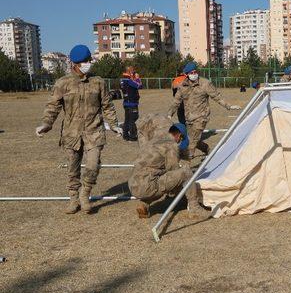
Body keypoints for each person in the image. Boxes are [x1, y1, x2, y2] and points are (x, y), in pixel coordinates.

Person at [36, 44, 122, 214]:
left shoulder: (98, 82)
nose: (88, 63)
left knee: (92, 165)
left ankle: (85, 194)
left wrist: (114, 125)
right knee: (72, 169)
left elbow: (107, 106)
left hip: (94, 131)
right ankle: (73, 199)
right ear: (75, 63)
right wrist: (46, 124)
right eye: (84, 61)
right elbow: (53, 106)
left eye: (89, 60)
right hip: (72, 134)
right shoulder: (63, 83)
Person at [128, 123, 209, 219]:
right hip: (148, 185)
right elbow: (174, 172)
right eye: (181, 139)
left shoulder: (154, 141)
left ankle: (143, 204)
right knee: (185, 172)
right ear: (179, 135)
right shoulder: (171, 146)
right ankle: (195, 208)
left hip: (134, 185)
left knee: (159, 182)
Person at [167, 62, 240, 161]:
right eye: (191, 72)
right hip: (189, 118)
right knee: (191, 139)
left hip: (202, 117)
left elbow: (217, 97)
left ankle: (187, 162)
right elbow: (176, 101)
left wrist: (229, 106)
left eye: (195, 71)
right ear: (187, 74)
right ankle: (206, 149)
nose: (194, 74)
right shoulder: (182, 86)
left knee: (192, 142)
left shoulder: (205, 84)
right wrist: (169, 114)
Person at [120, 66, 143, 141]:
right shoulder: (128, 80)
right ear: (129, 71)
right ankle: (133, 136)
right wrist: (137, 78)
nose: (134, 72)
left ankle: (125, 135)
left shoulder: (123, 79)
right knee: (133, 119)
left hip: (126, 102)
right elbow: (139, 86)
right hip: (132, 103)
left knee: (127, 119)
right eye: (132, 71)